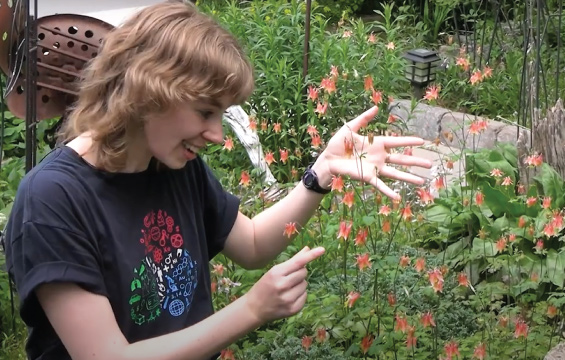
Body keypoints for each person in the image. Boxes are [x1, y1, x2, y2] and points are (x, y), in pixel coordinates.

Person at [3, 1, 432, 359]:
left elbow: (251, 245)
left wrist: (319, 174)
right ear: (148, 90)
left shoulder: (174, 167)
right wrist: (251, 309)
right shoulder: (53, 199)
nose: (217, 135)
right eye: (206, 111)